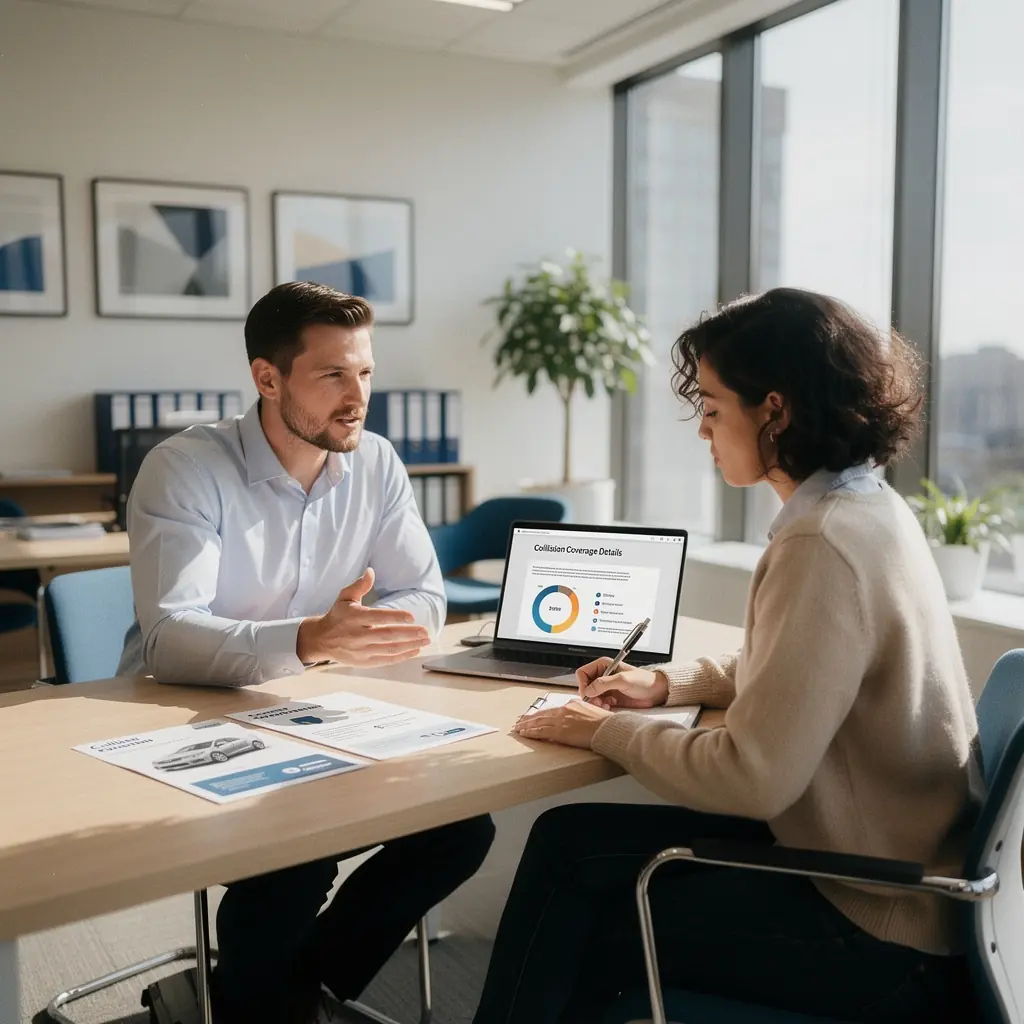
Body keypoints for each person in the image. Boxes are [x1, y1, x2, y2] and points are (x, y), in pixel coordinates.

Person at [473, 288, 982, 1024]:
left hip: (874, 929)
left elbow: (753, 781)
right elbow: (797, 668)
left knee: (583, 912)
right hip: (910, 885)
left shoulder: (820, 543)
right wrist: (665, 682)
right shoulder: (867, 507)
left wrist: (602, 729)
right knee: (571, 850)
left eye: (712, 409)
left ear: (773, 410)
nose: (704, 431)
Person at [119, 281, 495, 1024]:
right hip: (193, 715)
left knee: (461, 827)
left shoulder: (377, 463)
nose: (356, 397)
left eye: (365, 373)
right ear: (267, 377)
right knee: (294, 857)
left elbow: (422, 595)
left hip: (323, 708)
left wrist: (333, 648)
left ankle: (294, 992)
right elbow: (170, 636)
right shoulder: (186, 467)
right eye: (332, 375)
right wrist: (309, 639)